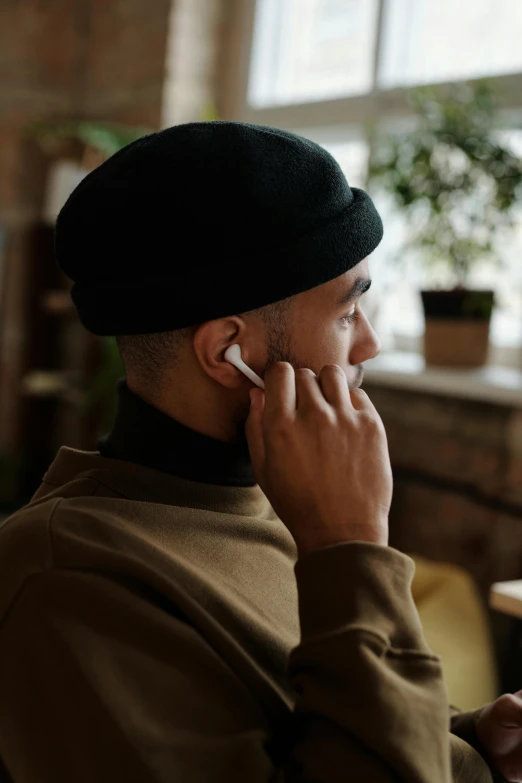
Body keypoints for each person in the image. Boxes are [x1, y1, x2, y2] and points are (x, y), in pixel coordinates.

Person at [0, 122, 520, 783]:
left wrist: (466, 743)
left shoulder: (267, 501)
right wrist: (349, 545)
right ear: (229, 352)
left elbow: (316, 725)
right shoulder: (65, 580)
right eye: (345, 312)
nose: (370, 344)